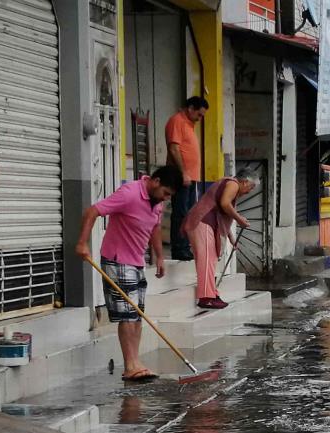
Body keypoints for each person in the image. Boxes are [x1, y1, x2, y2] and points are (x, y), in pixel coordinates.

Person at [75, 164, 183, 381]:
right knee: (127, 315)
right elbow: (93, 211)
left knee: (137, 315)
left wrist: (159, 257)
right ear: (156, 181)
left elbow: (153, 228)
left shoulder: (156, 203)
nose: (165, 199)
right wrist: (82, 243)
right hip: (117, 260)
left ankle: (136, 361)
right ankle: (130, 365)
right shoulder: (129, 194)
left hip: (137, 261)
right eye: (166, 193)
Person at [181, 168, 255, 309]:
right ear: (245, 182)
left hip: (206, 223)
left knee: (211, 260)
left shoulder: (230, 185)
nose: (249, 192)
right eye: (251, 188)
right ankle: (206, 298)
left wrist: (232, 238)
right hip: (202, 222)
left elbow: (222, 215)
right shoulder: (233, 184)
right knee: (207, 260)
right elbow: (224, 204)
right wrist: (239, 219)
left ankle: (212, 293)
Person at [165, 96, 209, 261]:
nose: (200, 118)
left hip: (191, 178)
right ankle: (179, 248)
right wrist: (183, 172)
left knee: (189, 213)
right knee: (181, 213)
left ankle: (185, 246)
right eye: (199, 114)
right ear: (190, 108)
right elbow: (174, 149)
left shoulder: (189, 125)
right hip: (182, 176)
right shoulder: (177, 121)